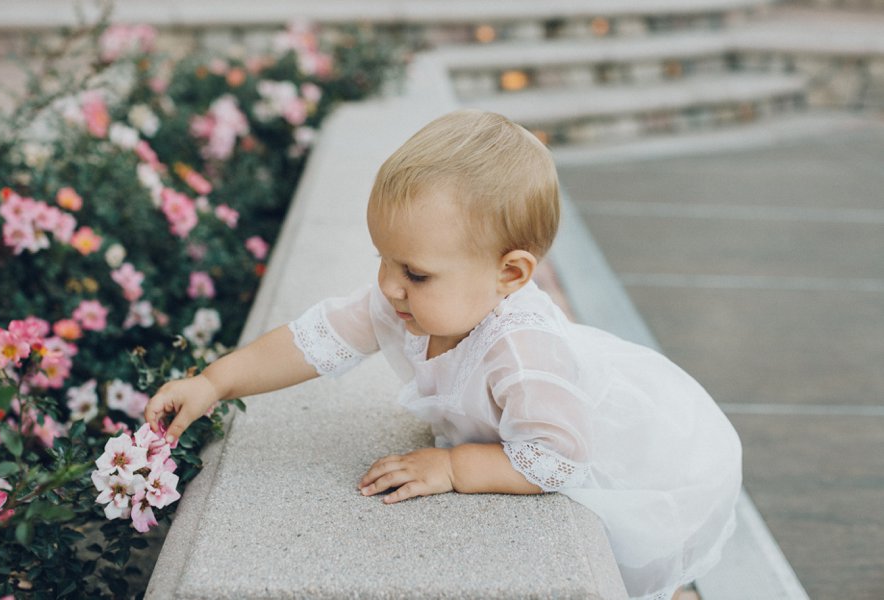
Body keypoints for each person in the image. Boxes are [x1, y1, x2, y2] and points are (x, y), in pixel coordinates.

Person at [145, 109, 742, 599]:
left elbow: (557, 458)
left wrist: (456, 467)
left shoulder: (523, 352)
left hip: (621, 455)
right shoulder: (408, 301)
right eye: (383, 257)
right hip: (551, 425)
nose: (388, 285)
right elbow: (314, 338)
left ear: (509, 273)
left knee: (628, 567)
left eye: (415, 272)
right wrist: (216, 383)